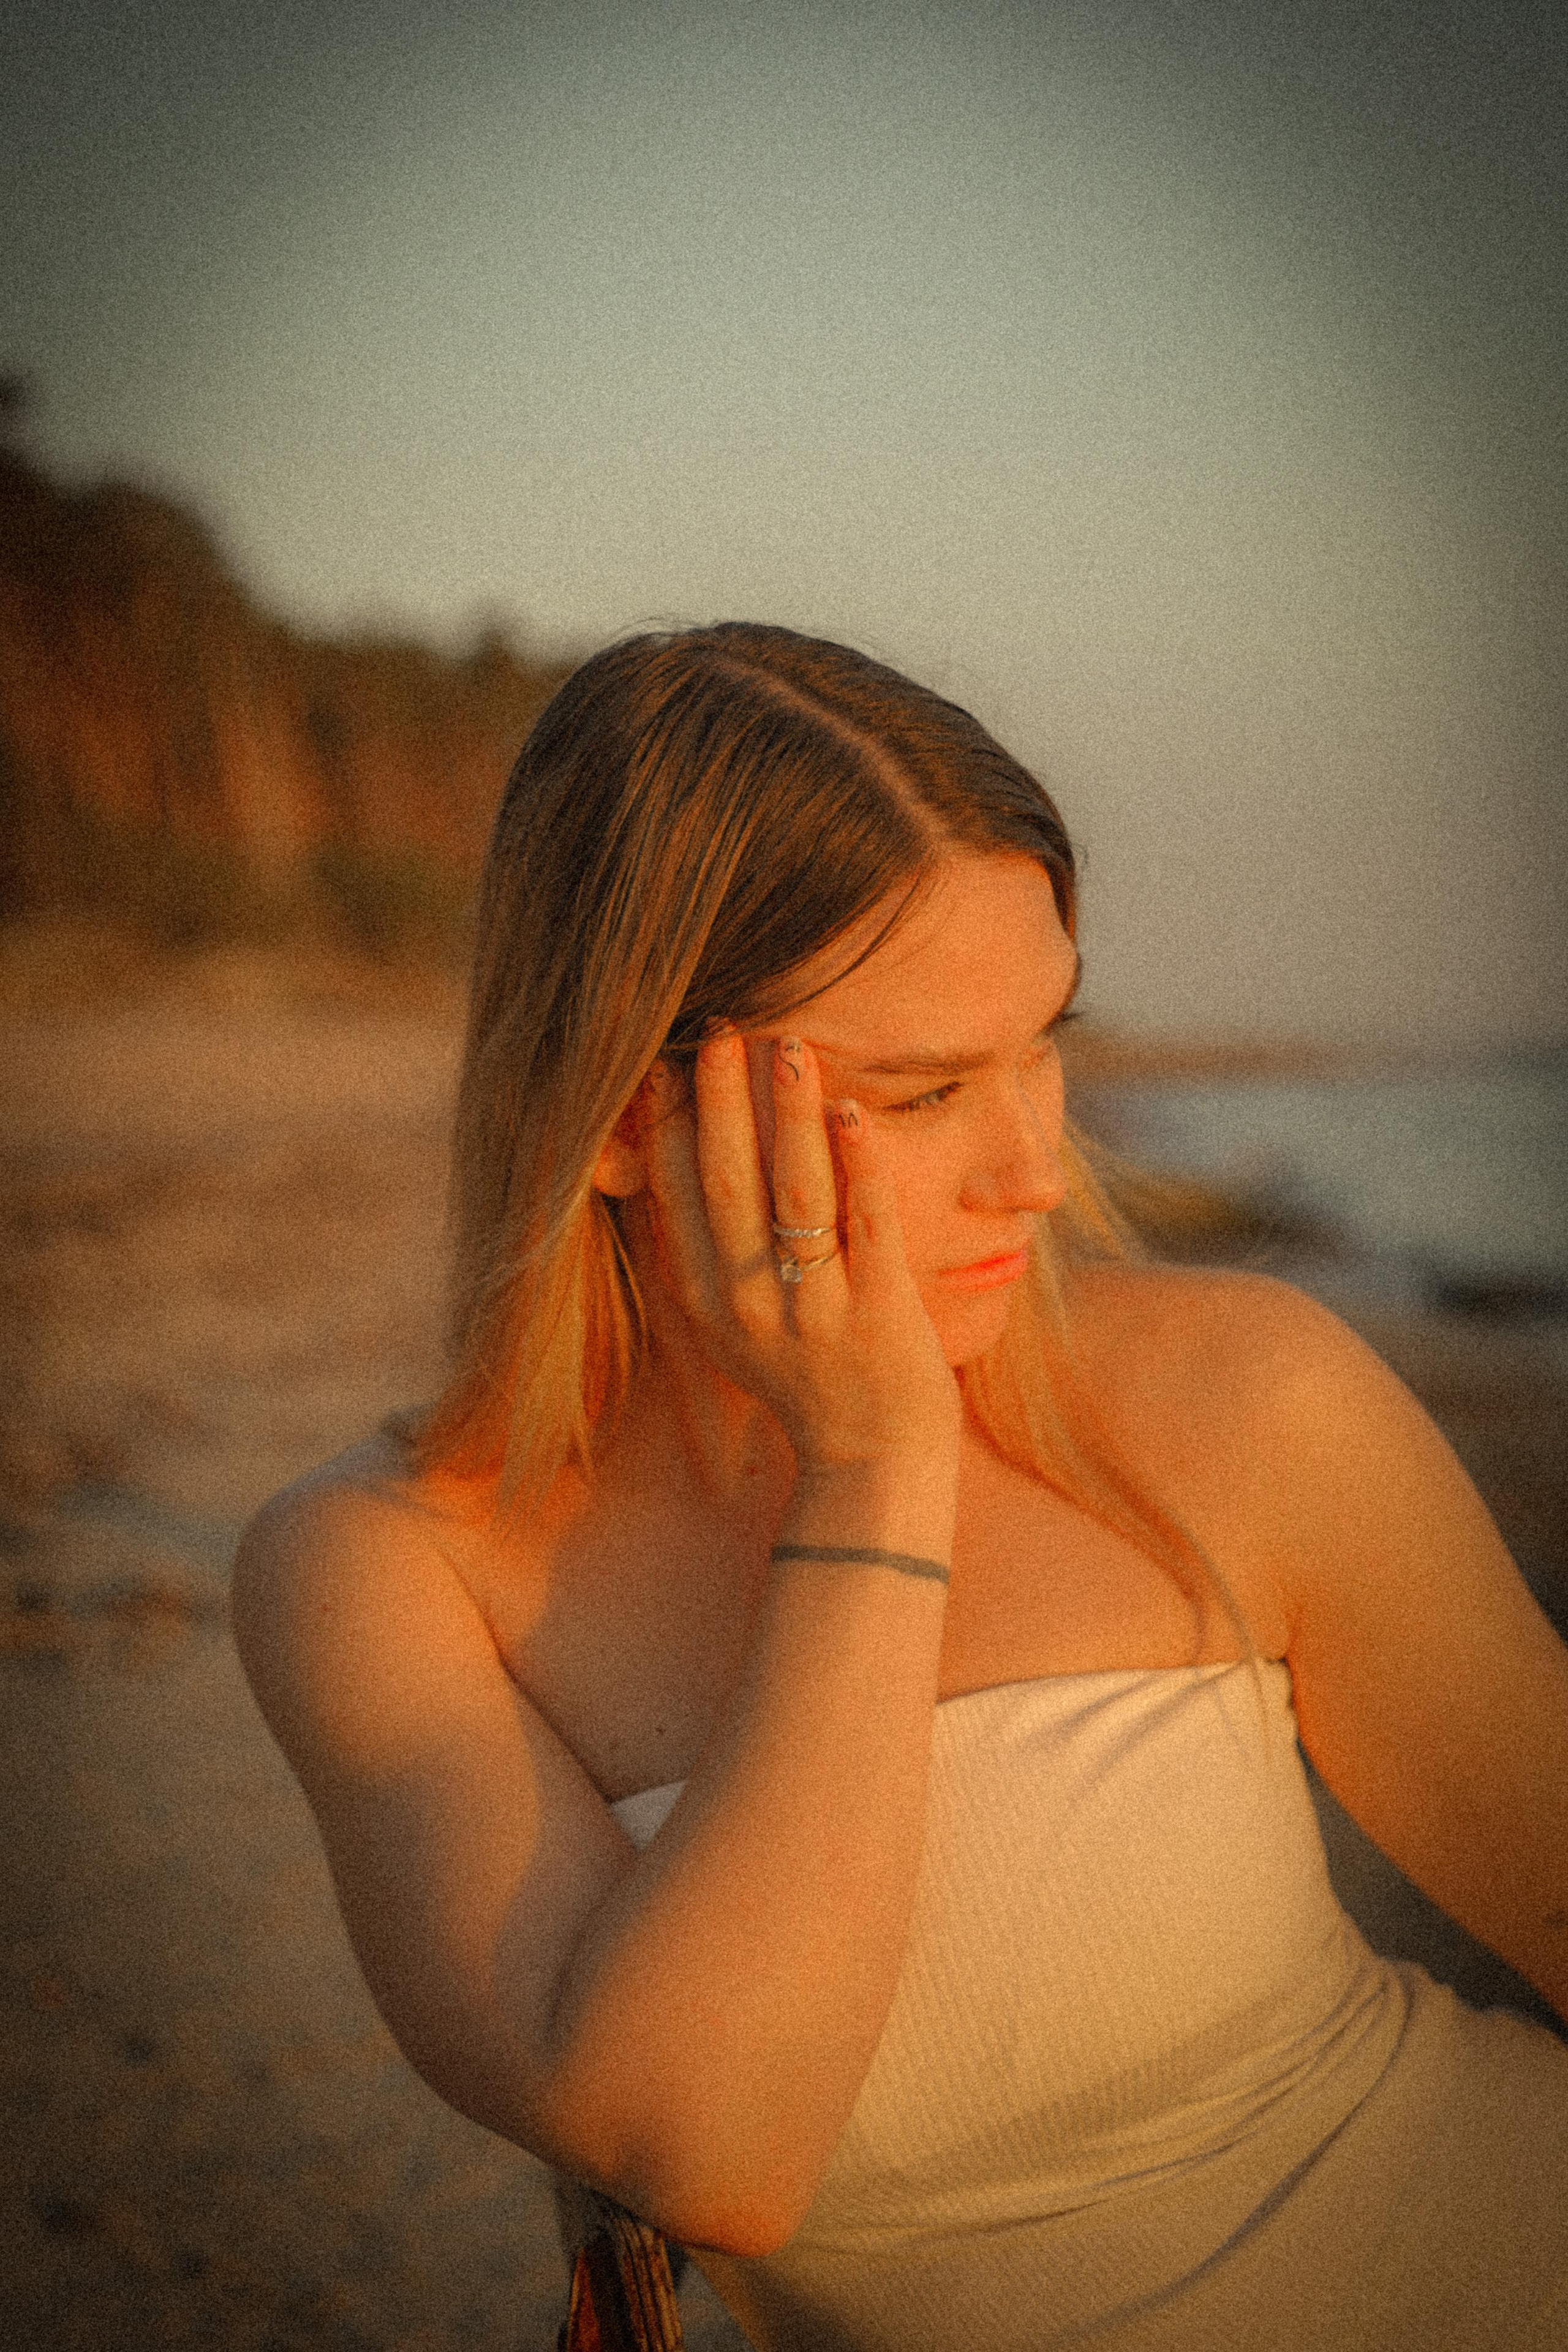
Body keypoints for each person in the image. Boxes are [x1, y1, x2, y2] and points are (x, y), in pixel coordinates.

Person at [233, 622, 1568, 2351]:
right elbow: (709, 2155)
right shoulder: (387, 1570)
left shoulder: (1241, 1393)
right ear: (625, 1116)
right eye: (927, 1090)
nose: (1036, 1168)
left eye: (1045, 1044)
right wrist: (871, 1479)